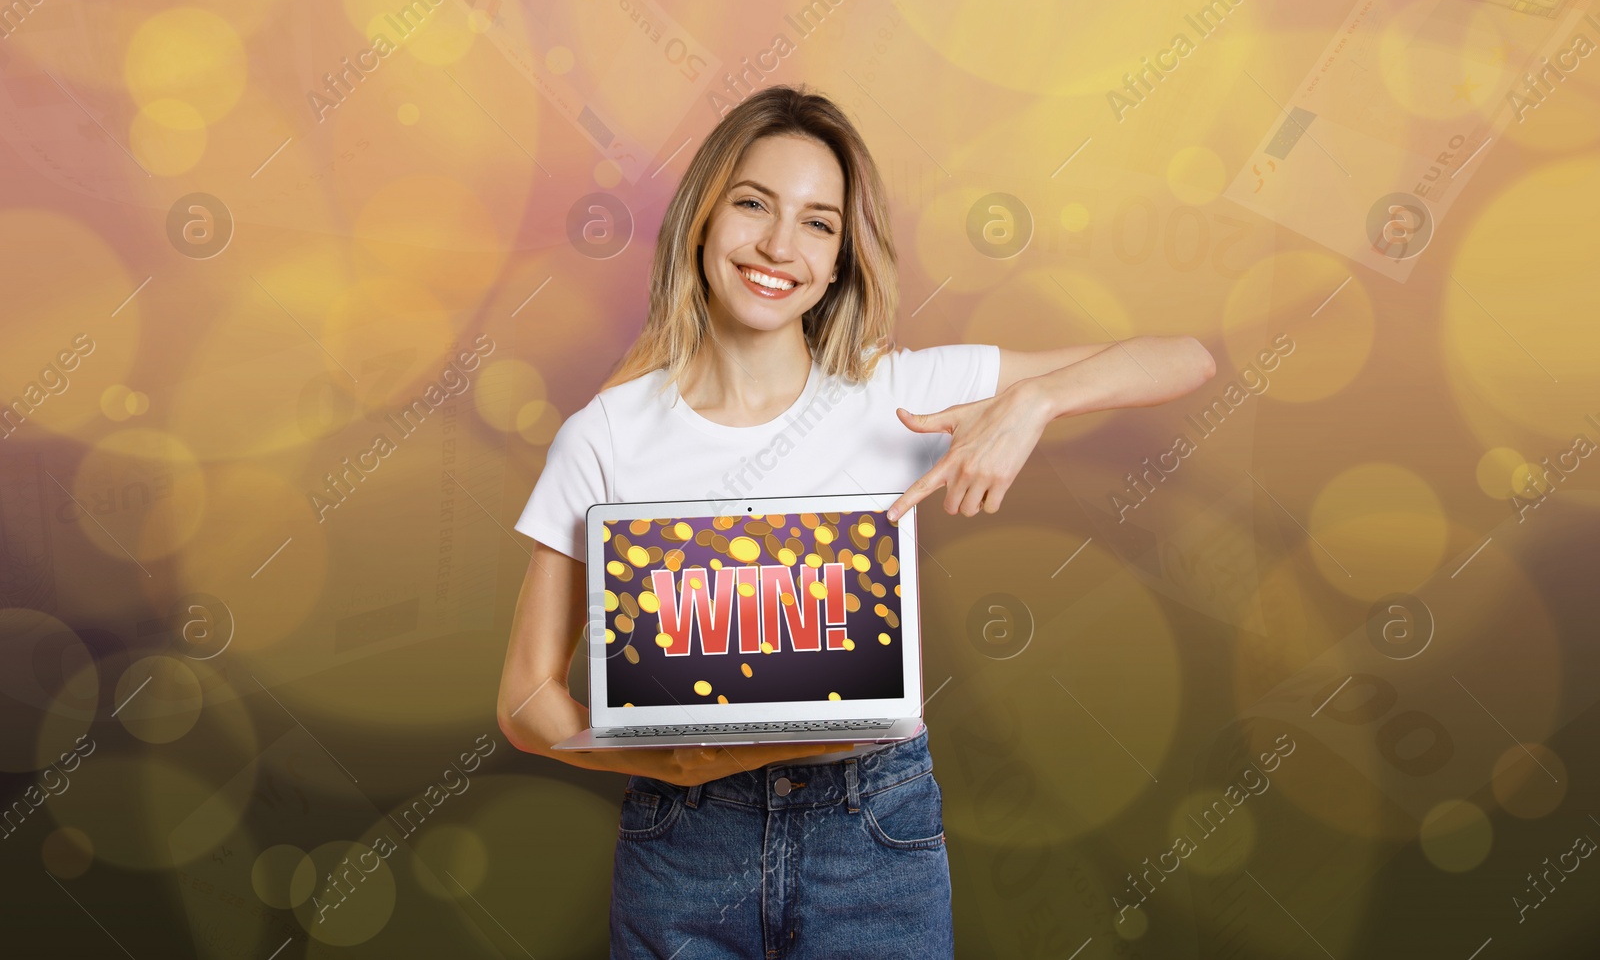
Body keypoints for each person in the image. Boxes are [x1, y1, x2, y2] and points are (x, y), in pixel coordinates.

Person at [496, 84, 1214, 959]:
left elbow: (1185, 357)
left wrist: (1035, 402)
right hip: (683, 841)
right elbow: (526, 697)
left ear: (839, 260)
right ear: (702, 218)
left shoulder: (899, 392)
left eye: (818, 223)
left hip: (873, 830)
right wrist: (659, 763)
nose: (777, 245)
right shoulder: (605, 432)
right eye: (753, 204)